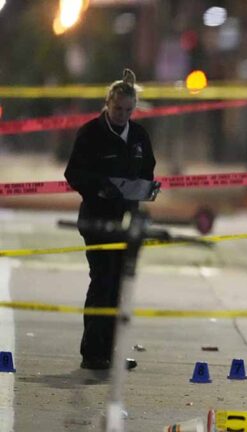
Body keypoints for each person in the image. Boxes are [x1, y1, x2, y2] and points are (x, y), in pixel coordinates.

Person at [65, 69, 156, 370]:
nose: (122, 115)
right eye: (118, 109)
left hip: (127, 221)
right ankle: (93, 353)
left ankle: (112, 352)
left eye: (129, 110)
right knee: (102, 282)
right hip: (97, 220)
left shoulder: (139, 136)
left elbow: (147, 171)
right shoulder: (90, 133)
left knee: (120, 287)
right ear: (107, 104)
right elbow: (73, 173)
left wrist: (147, 188)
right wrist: (100, 185)